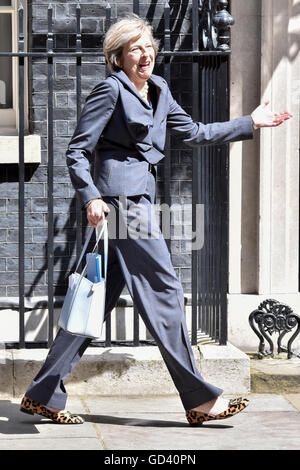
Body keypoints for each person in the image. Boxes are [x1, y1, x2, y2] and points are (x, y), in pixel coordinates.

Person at [20, 15, 292, 425]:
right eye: (134, 48)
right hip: (122, 204)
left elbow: (195, 132)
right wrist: (91, 196)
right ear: (118, 56)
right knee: (164, 291)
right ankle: (199, 398)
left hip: (138, 201)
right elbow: (77, 150)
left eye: (148, 45)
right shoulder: (110, 91)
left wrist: (249, 122)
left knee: (95, 299)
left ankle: (43, 394)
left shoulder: (160, 90)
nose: (144, 54)